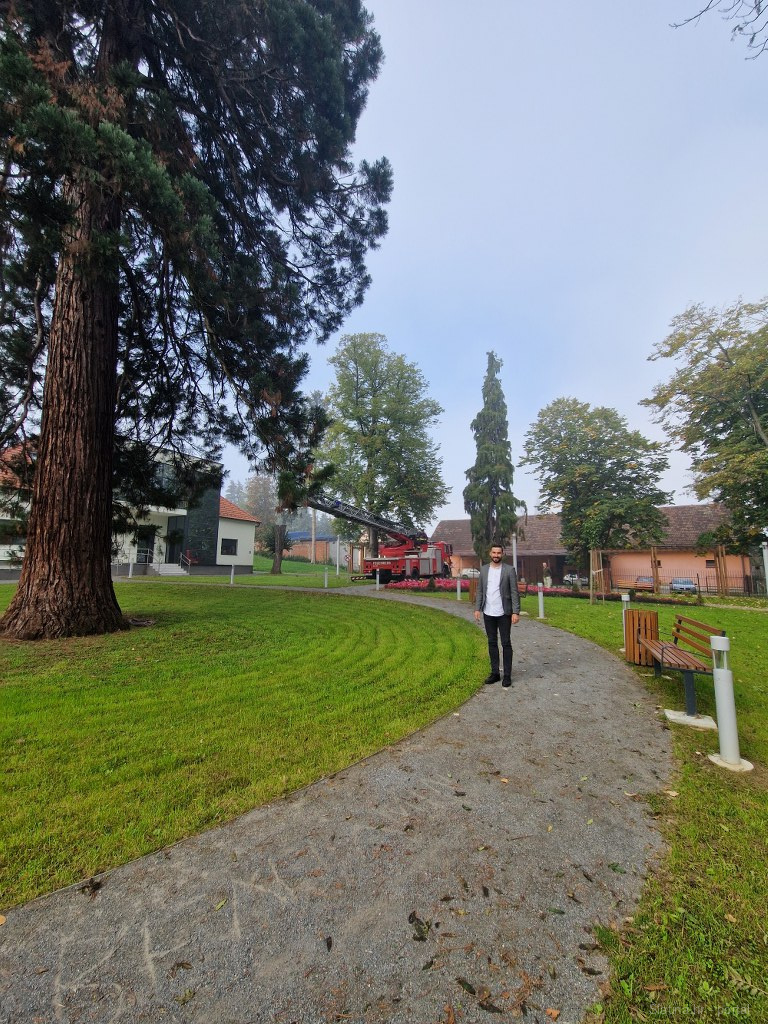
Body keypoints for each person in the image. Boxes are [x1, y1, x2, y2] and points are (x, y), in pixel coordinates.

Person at [474, 543, 520, 687]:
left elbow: (514, 592)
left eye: (498, 553)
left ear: (502, 554)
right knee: (492, 642)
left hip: (504, 613)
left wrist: (515, 611)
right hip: (488, 612)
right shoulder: (484, 570)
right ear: (490, 553)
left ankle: (507, 675)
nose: (496, 555)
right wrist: (477, 608)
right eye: (494, 553)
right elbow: (480, 590)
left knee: (506, 643)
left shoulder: (509, 570)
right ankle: (495, 673)